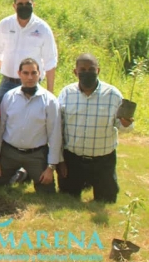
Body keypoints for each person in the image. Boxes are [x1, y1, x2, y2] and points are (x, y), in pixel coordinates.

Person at [57, 53, 133, 203]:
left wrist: (127, 124)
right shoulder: (66, 93)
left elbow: (123, 126)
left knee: (107, 201)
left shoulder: (113, 95)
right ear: (75, 72)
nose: (87, 73)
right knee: (67, 200)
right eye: (82, 69)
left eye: (91, 69)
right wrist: (60, 160)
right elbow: (59, 128)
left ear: (98, 70)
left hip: (103, 162)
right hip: (73, 160)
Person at [0, 58, 61, 193]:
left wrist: (50, 168)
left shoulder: (50, 101)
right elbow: (0, 130)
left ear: (40, 74)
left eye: (34, 73)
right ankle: (21, 175)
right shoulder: (8, 97)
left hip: (36, 155)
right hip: (9, 153)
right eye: (26, 73)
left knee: (47, 193)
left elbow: (55, 135)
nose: (30, 77)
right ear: (19, 73)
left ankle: (24, 173)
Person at [0, 0, 58, 104]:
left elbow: (50, 61)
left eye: (28, 4)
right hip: (8, 83)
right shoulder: (5, 24)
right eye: (20, 4)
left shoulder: (43, 28)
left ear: (34, 4)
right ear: (14, 6)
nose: (24, 6)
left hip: (31, 83)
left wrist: (50, 91)